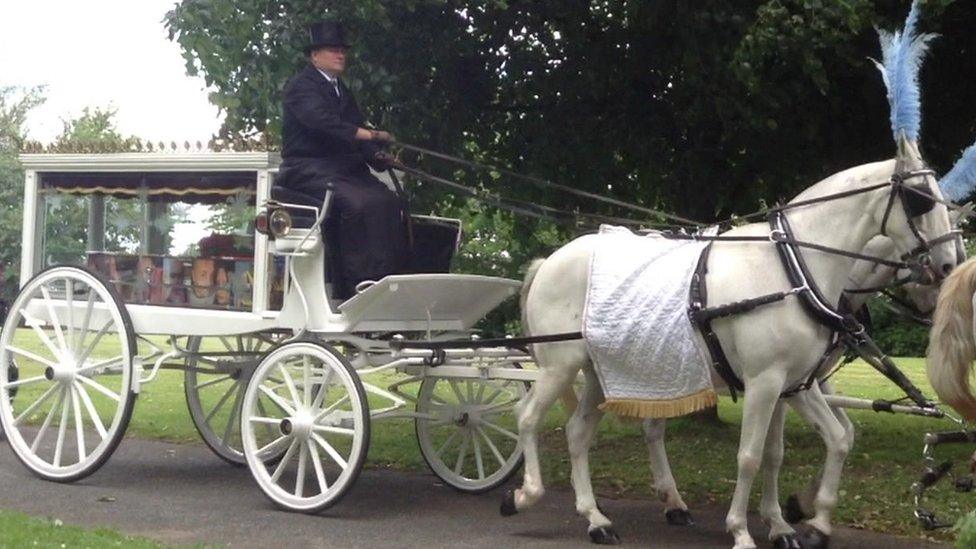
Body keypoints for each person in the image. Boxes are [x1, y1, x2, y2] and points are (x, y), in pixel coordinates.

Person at [275, 21, 409, 300]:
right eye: (334, 50)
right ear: (315, 56)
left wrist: (379, 157)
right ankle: (354, 286)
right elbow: (324, 124)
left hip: (341, 170)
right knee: (358, 204)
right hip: (306, 168)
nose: (341, 55)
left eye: (342, 50)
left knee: (389, 200)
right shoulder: (301, 87)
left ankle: (387, 279)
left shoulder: (341, 90)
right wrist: (371, 133)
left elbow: (357, 136)